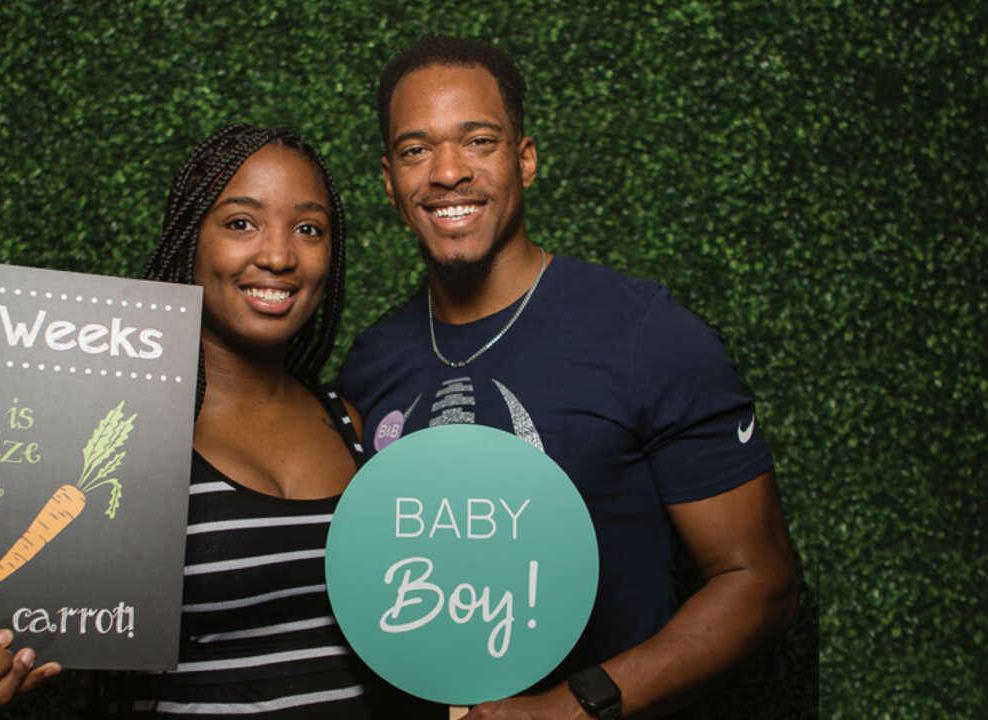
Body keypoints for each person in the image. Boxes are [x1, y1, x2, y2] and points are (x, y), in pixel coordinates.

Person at [0, 124, 439, 719]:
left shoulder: (350, 422)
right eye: (241, 222)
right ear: (190, 239)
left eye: (308, 229)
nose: (279, 255)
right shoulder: (107, 438)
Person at [338, 36, 799, 719]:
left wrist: (574, 707)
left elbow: (759, 581)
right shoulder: (370, 362)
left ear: (525, 160)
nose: (446, 172)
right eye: (415, 150)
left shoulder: (648, 335)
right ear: (388, 179)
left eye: (478, 141)